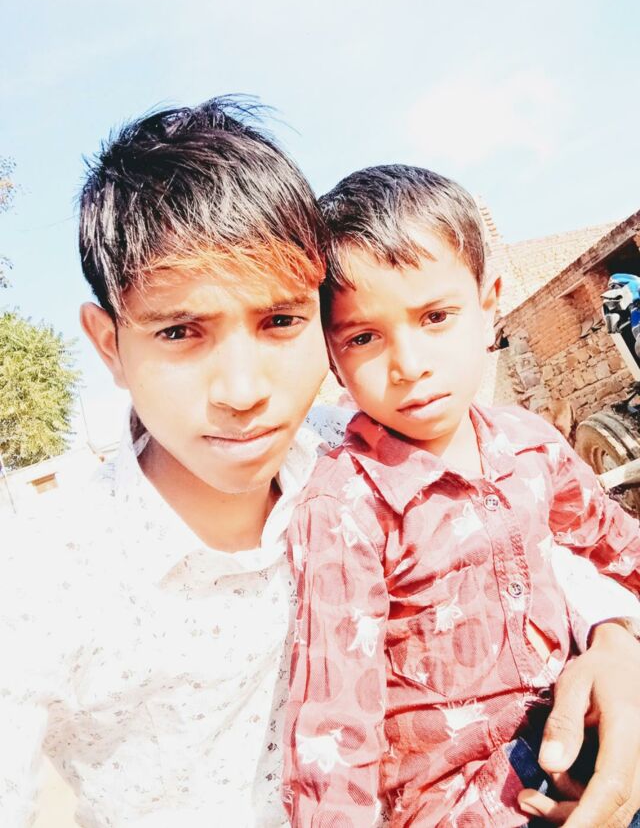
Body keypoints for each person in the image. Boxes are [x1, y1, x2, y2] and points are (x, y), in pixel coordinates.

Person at [0, 101, 638, 828]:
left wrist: (614, 640)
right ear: (108, 344)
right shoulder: (40, 581)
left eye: (280, 320)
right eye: (179, 331)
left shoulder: (366, 450)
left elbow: (519, 530)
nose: (243, 391)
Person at [283, 164, 640, 827]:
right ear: (332, 355)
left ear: (488, 304)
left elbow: (619, 547)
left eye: (435, 317)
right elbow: (333, 732)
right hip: (460, 808)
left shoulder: (532, 447)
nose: (409, 363)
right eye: (364, 337)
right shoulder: (346, 506)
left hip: (583, 746)